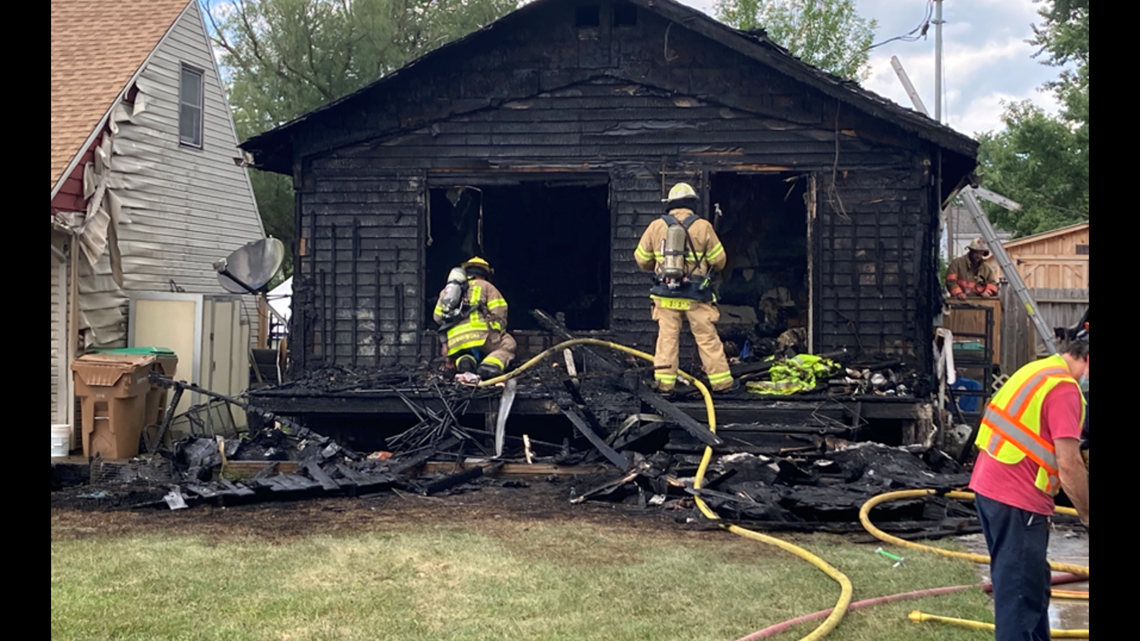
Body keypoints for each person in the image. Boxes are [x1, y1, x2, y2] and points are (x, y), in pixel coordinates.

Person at [968, 338, 1090, 641]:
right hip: (1018, 499)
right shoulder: (1064, 390)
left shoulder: (1039, 371)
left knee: (1029, 587)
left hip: (991, 489)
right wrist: (1087, 514)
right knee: (1019, 598)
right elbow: (1070, 464)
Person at [634, 182, 735, 393]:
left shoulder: (656, 226)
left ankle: (664, 385)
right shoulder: (703, 226)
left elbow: (641, 259)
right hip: (696, 295)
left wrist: (660, 265)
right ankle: (722, 383)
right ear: (692, 203)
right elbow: (719, 261)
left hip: (665, 294)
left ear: (670, 204)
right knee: (707, 339)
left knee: (667, 340)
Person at [432, 257, 516, 380]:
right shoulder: (487, 286)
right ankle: (490, 365)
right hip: (482, 336)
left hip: (455, 341)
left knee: (464, 351)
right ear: (485, 274)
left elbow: (437, 317)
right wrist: (498, 330)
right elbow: (499, 312)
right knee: (508, 343)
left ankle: (465, 362)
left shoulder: (447, 291)